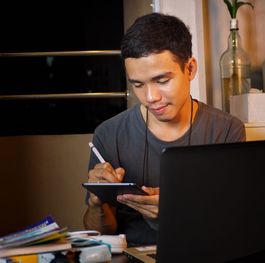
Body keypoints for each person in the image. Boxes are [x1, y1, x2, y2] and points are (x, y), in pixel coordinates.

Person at [83, 12, 246, 247]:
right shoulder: (108, 135)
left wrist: (176, 214)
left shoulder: (226, 130)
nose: (151, 97)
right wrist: (96, 204)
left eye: (161, 81)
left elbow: (233, 225)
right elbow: (100, 235)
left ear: (190, 69)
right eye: (138, 84)